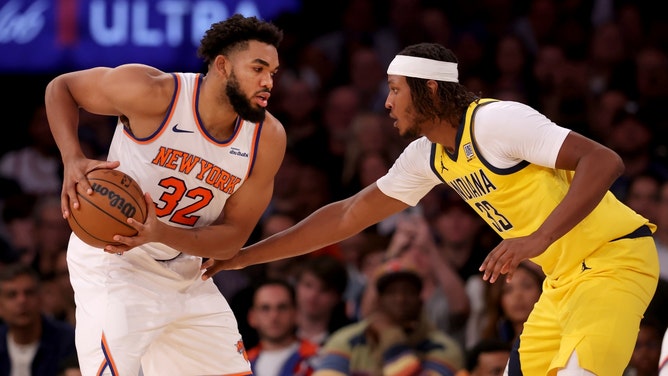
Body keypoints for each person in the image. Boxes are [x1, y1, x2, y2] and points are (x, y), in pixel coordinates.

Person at [202, 42, 660, 375]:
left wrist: (536, 239)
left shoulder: (496, 121)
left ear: (432, 91)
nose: (386, 103)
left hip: (612, 262)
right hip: (561, 283)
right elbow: (346, 216)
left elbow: (603, 160)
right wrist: (244, 255)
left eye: (396, 90)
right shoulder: (428, 156)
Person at [44, 14, 286, 375]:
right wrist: (72, 159)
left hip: (185, 272)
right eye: (258, 68)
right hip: (115, 261)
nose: (268, 82)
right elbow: (62, 88)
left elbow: (231, 239)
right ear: (222, 66)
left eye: (273, 73)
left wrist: (159, 233)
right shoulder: (154, 92)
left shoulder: (267, 138)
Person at [311, 259, 464, 375]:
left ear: (421, 300)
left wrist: (390, 337)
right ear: (378, 300)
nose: (400, 299)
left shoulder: (443, 347)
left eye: (408, 291)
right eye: (391, 292)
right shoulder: (347, 339)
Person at [0, 262, 77, 376]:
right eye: (12, 295)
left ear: (40, 299)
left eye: (29, 293)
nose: (22, 301)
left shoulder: (67, 340)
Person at [246, 278, 318, 376]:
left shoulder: (318, 359)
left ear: (296, 313)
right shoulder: (239, 365)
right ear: (252, 317)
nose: (274, 316)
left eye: (282, 307)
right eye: (265, 308)